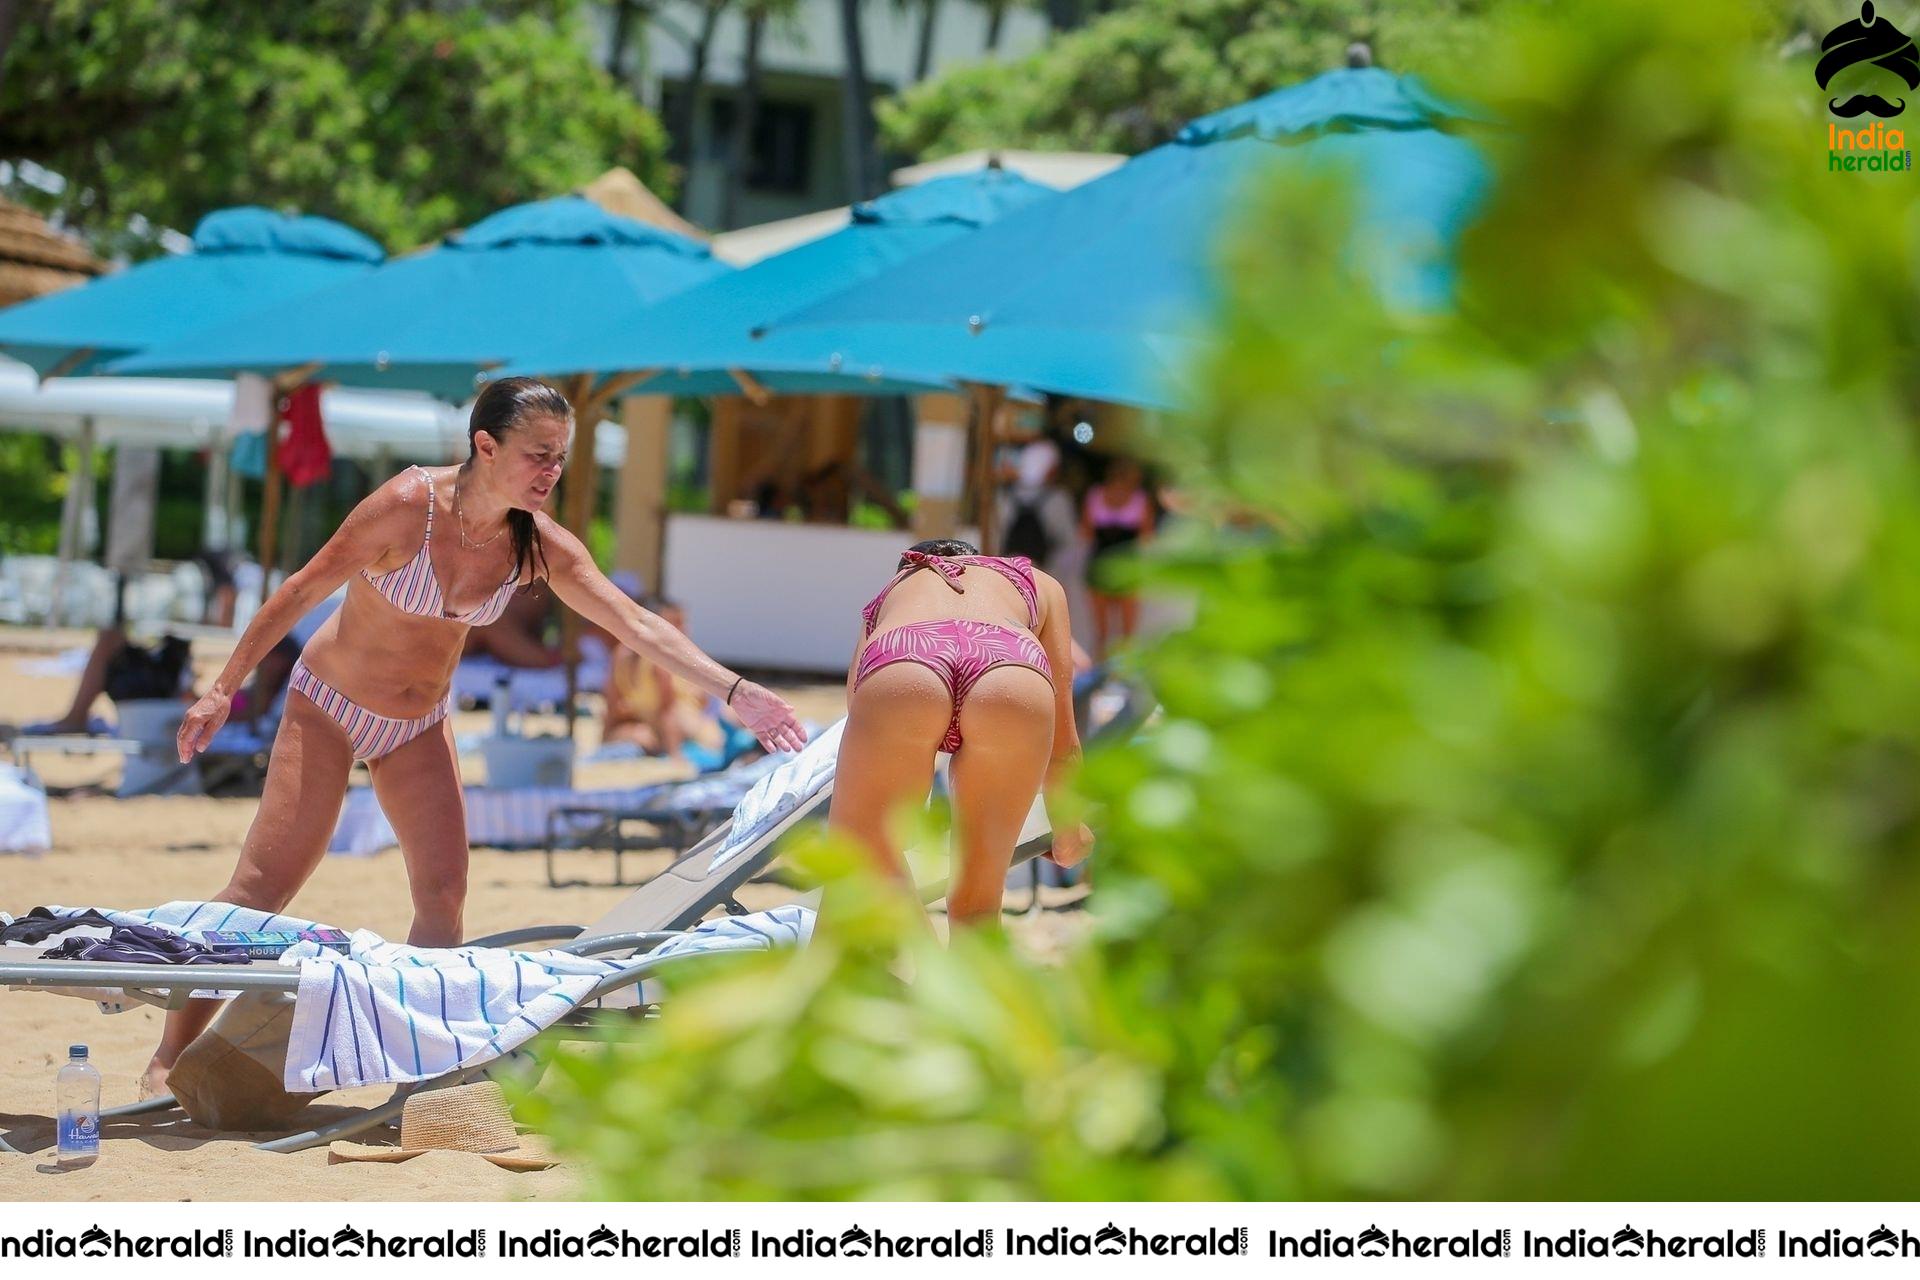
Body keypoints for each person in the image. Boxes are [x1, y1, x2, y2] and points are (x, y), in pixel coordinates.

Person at [145, 377, 805, 1095]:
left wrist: (738, 693)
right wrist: (221, 688)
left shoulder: (534, 543)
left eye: (561, 458)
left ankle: (418, 1074)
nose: (552, 472)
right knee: (261, 888)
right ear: (484, 446)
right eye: (538, 455)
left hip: (417, 723)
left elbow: (634, 624)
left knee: (443, 893)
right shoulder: (405, 508)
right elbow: (300, 589)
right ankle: (169, 1053)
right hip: (329, 704)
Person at [828, 537, 1093, 930]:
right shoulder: (1039, 582)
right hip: (1008, 662)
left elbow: (860, 708)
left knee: (863, 856)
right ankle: (959, 987)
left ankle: (923, 973)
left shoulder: (892, 593)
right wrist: (1070, 822)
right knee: (979, 905)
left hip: (908, 655)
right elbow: (1064, 735)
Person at [601, 598, 739, 760]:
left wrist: (674, 755)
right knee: (638, 735)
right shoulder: (653, 659)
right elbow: (667, 710)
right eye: (677, 623)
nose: (685, 629)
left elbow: (669, 710)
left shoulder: (624, 655)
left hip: (683, 727)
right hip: (677, 727)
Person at [1081, 457, 1155, 659]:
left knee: (1102, 634)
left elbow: (1085, 533)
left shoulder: (1095, 495)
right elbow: (1147, 536)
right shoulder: (1140, 500)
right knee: (1127, 635)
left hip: (1100, 563)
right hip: (1127, 566)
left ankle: (1098, 677)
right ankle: (1123, 676)